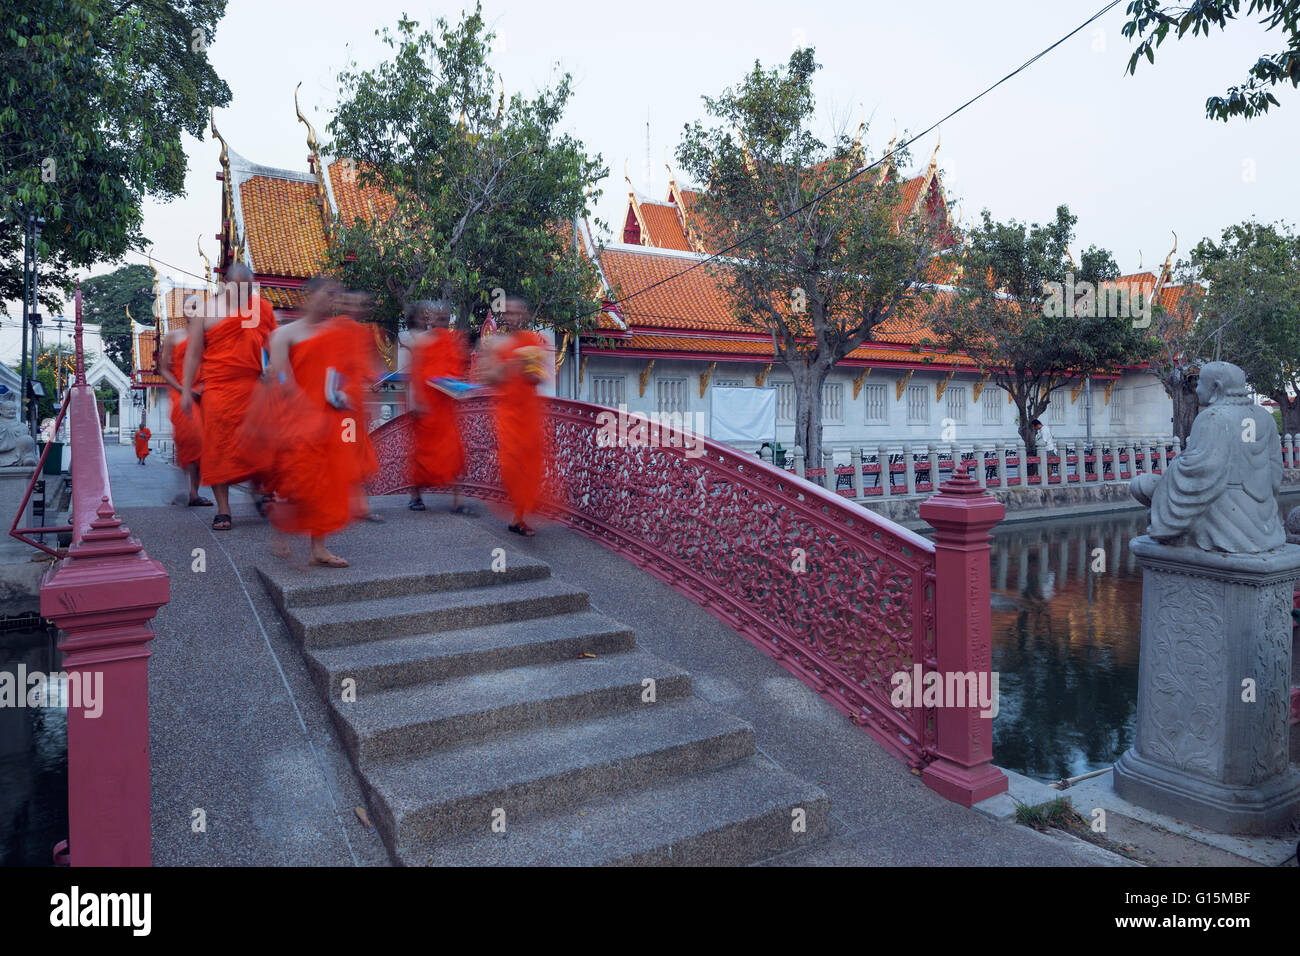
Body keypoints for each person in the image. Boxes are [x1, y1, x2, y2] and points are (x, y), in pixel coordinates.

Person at [263, 277, 363, 567]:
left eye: (336, 295)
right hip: (297, 419)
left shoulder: (338, 333)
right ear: (310, 295)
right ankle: (282, 527)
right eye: (328, 293)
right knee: (297, 479)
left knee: (327, 482)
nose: (332, 300)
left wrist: (344, 394)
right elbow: (281, 379)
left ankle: (318, 547)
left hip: (330, 418)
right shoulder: (285, 334)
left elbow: (348, 374)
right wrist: (306, 413)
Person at [181, 262, 278, 530]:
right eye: (239, 290)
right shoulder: (207, 311)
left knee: (261, 443)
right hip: (218, 389)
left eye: (249, 291)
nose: (245, 297)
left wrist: (274, 367)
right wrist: (187, 389)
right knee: (218, 449)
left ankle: (262, 489)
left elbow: (275, 344)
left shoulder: (261, 308)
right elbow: (192, 354)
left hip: (253, 387)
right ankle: (224, 510)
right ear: (226, 285)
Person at [478, 295, 551, 536]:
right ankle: (514, 511)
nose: (514, 317)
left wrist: (530, 367)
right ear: (504, 316)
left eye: (518, 312)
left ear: (525, 315)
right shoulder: (497, 344)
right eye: (509, 312)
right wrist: (509, 366)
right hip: (507, 413)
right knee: (511, 466)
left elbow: (539, 378)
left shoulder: (533, 341)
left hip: (528, 413)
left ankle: (518, 518)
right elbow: (488, 377)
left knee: (530, 467)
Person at [406, 300, 473, 513]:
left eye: (445, 315)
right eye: (437, 315)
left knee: (454, 451)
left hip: (446, 406)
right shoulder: (421, 342)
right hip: (426, 406)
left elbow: (458, 370)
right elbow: (415, 374)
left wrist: (459, 387)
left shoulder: (453, 341)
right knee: (423, 454)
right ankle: (416, 496)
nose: (441, 318)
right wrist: (416, 401)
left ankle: (458, 500)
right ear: (430, 318)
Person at [158, 318, 211, 505]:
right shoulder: (173, 336)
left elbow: (213, 365)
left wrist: (204, 387)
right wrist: (183, 389)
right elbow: (163, 369)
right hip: (180, 391)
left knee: (202, 442)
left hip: (202, 392)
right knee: (188, 436)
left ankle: (194, 493)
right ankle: (183, 486)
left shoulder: (207, 338)